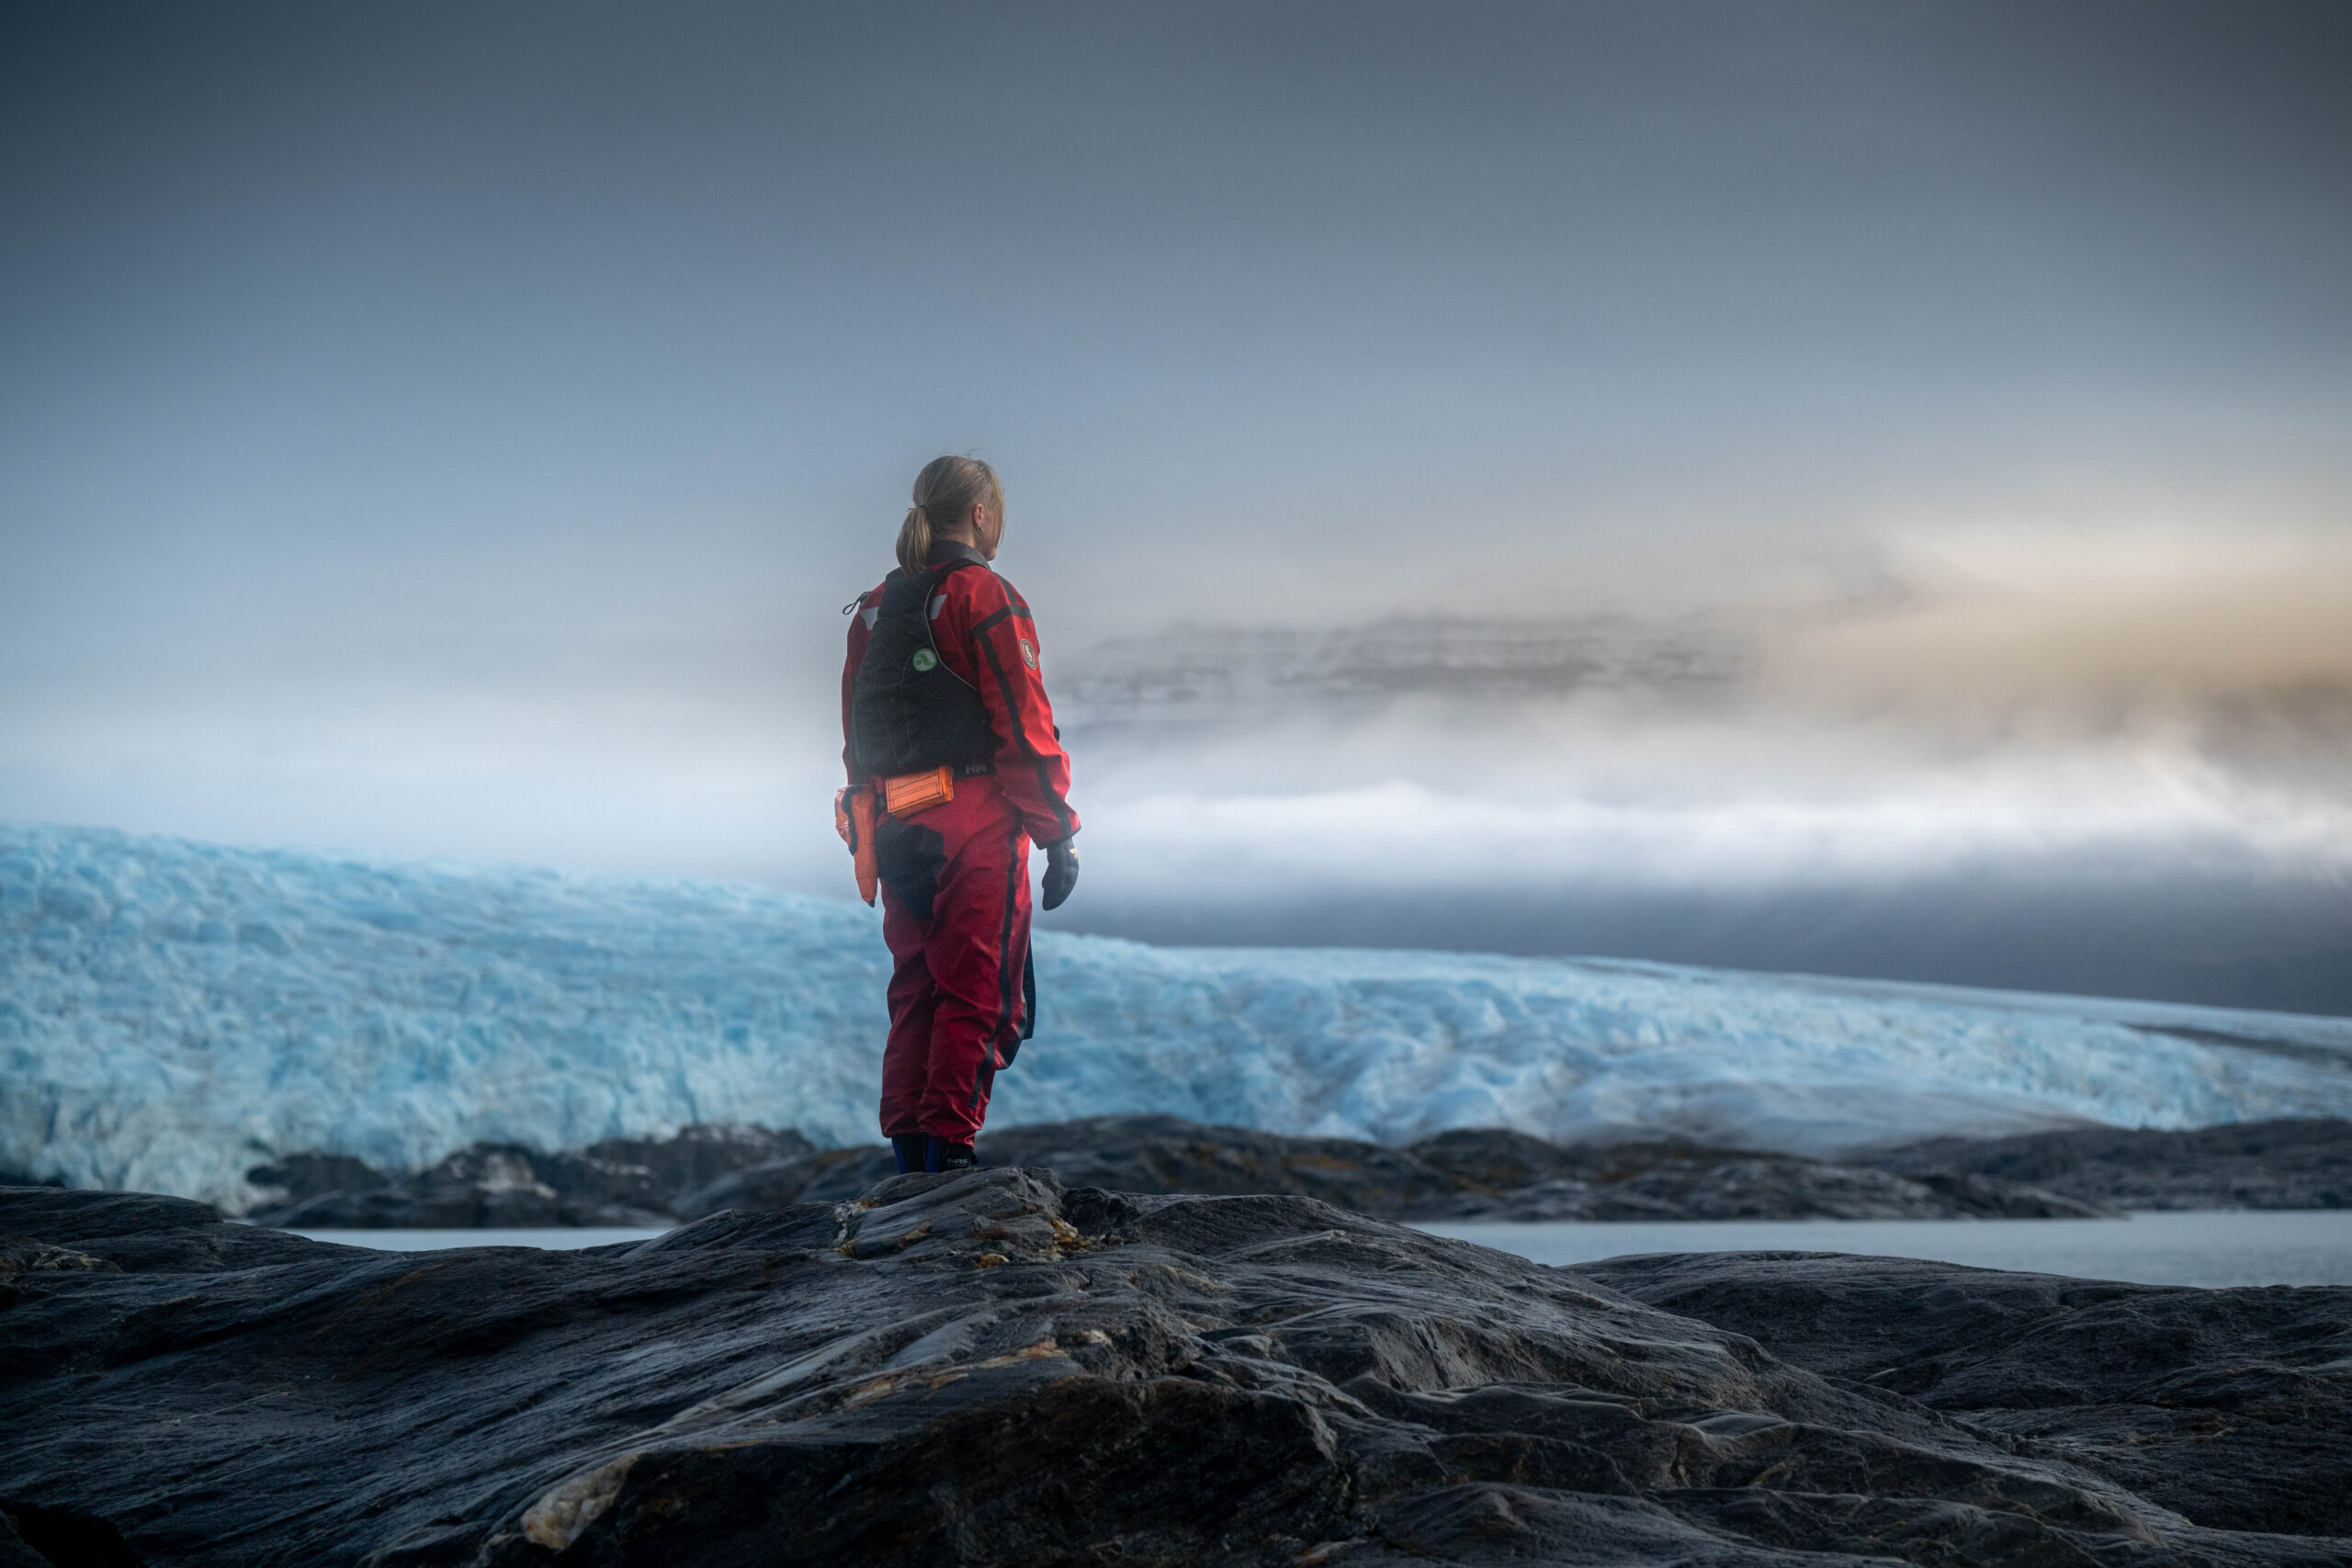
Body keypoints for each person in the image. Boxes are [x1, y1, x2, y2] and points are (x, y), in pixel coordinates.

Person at [840, 456, 1080, 1175]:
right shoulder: (985, 596)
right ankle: (950, 1158)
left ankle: (912, 1161)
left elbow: (857, 734)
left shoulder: (876, 608)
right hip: (972, 822)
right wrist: (1057, 832)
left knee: (917, 989)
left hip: (893, 826)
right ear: (980, 515)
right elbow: (1023, 723)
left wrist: (868, 828)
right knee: (977, 993)